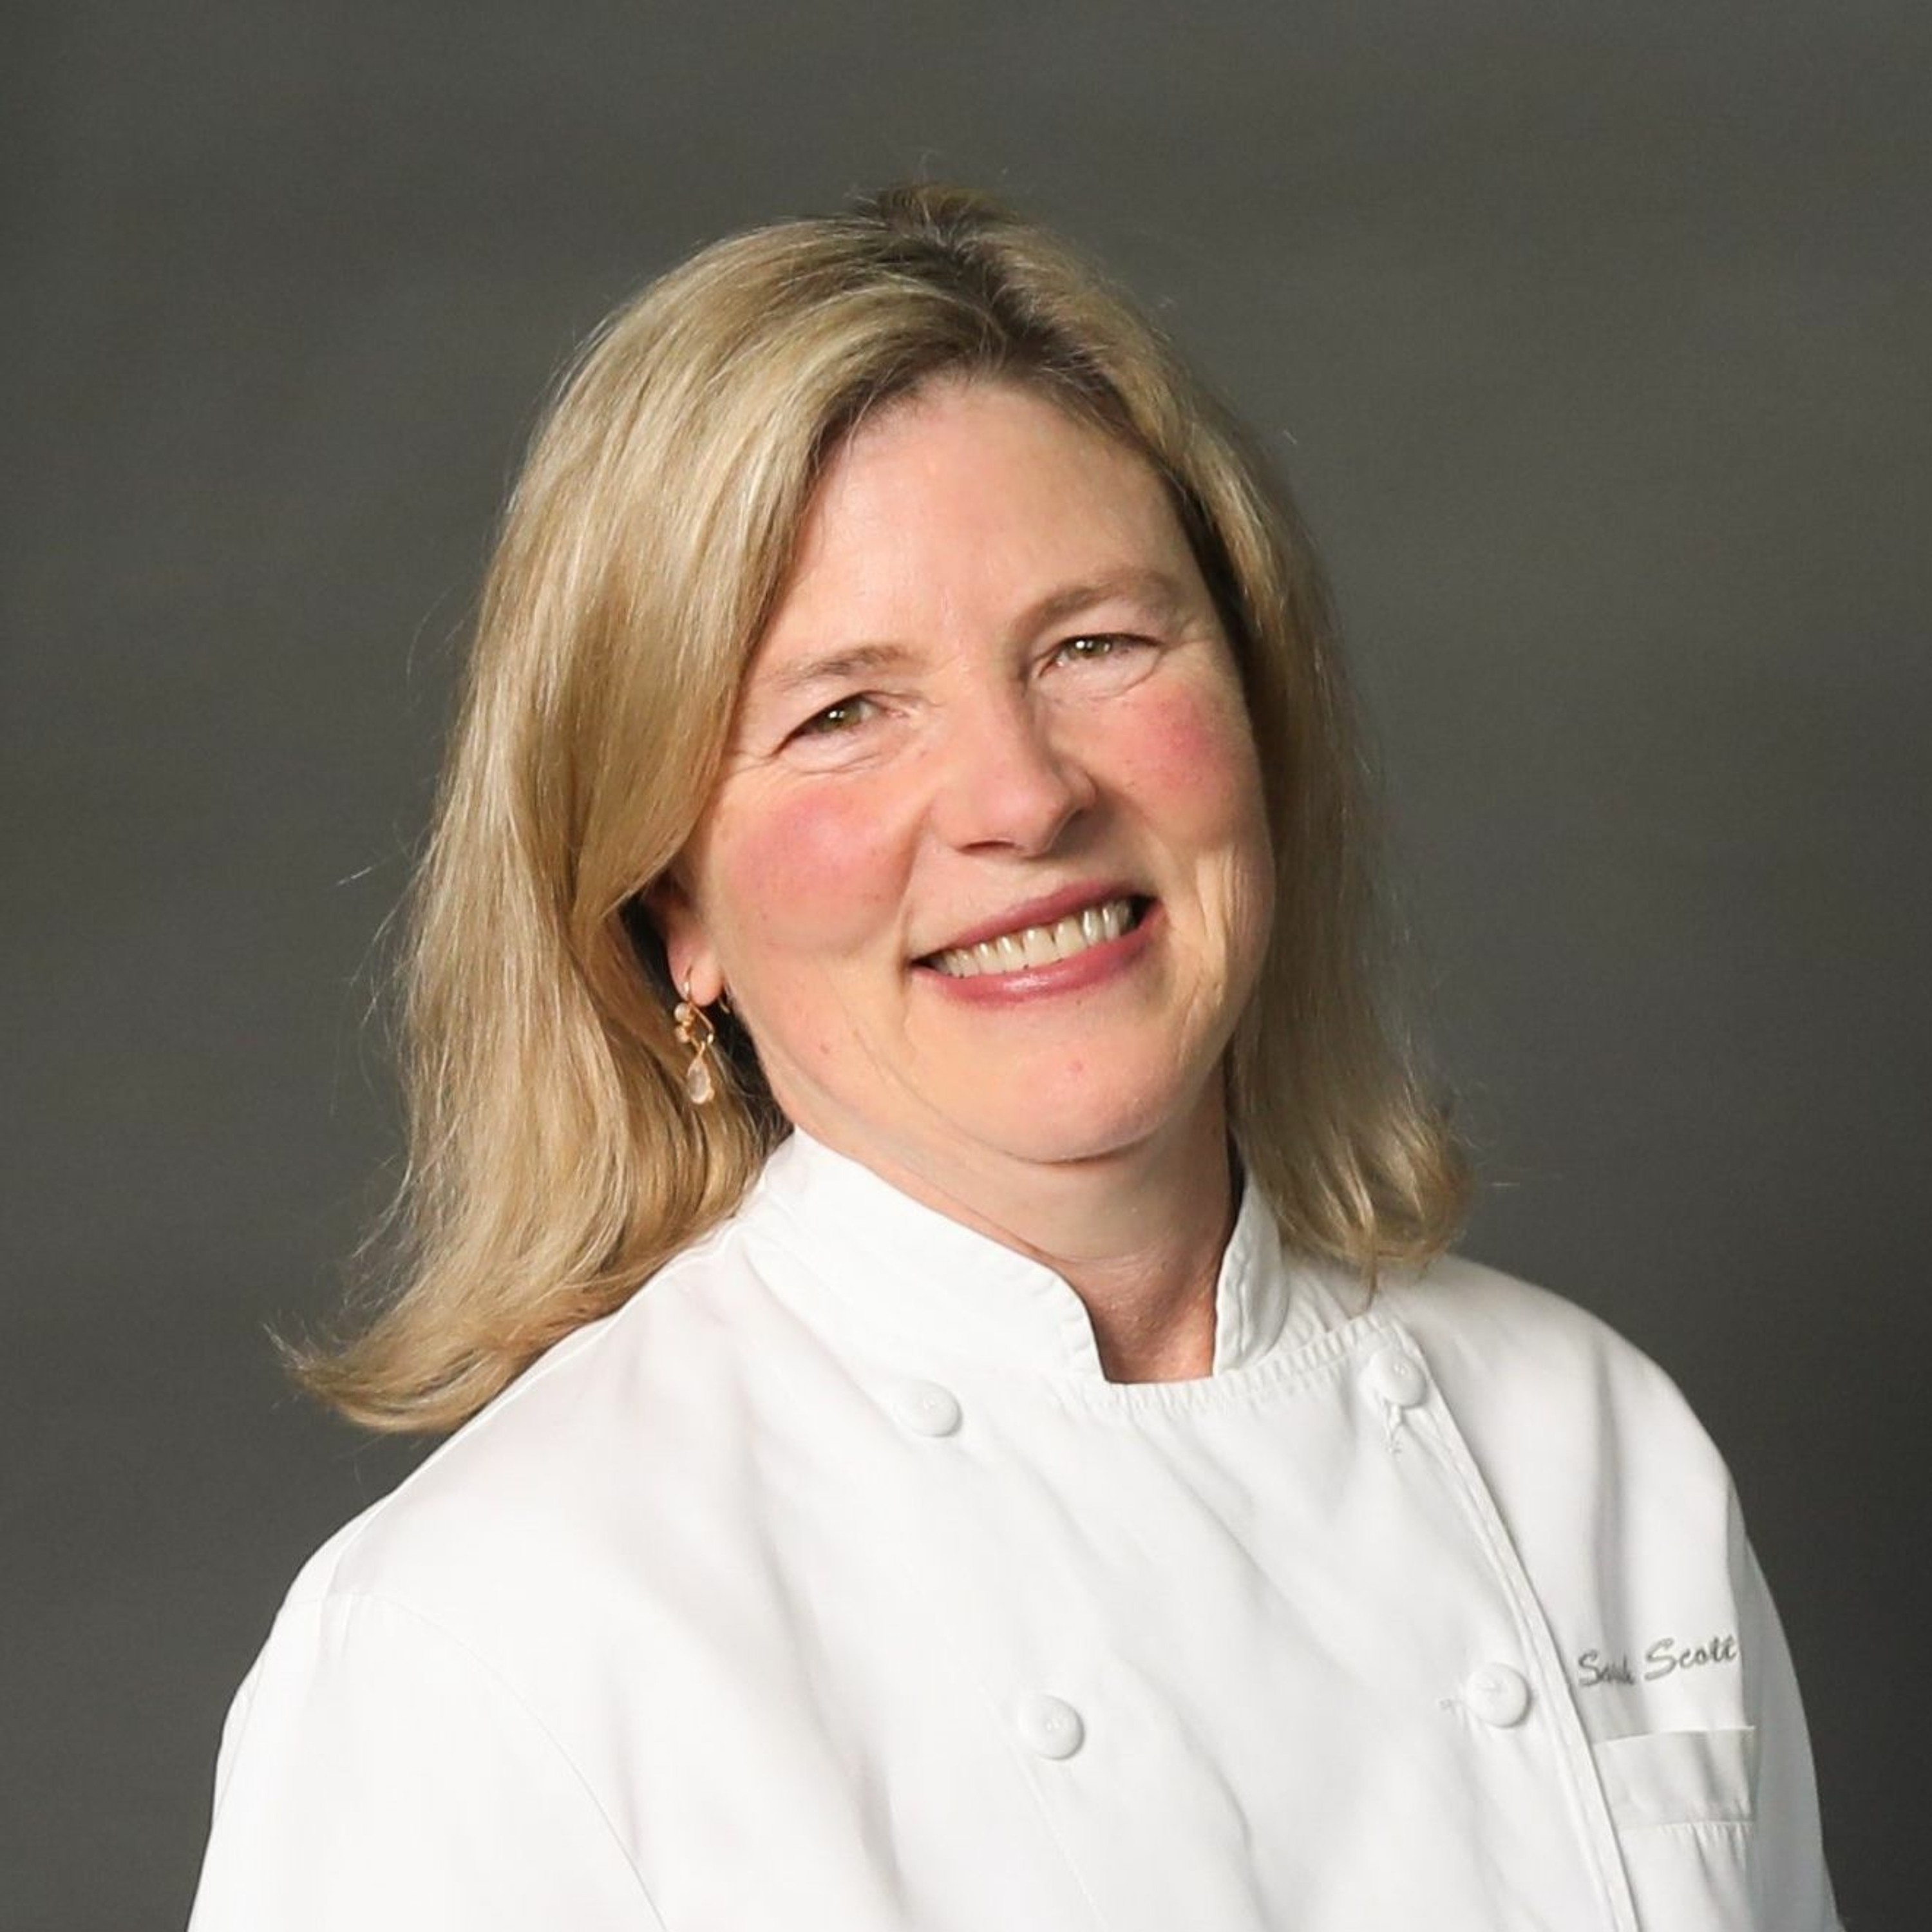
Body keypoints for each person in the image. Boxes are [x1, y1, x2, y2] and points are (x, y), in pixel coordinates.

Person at [187, 184, 1839, 1930]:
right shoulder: (489, 1635)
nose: (1025, 796)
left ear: (1261, 717)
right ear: (669, 904)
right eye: (843, 711)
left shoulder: (1592, 1447)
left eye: (1094, 646)